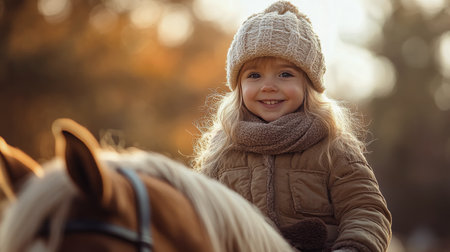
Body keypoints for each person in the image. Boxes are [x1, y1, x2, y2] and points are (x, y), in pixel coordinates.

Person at [192, 1, 392, 251]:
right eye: (254, 75)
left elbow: (365, 209)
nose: (268, 86)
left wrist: (353, 247)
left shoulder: (332, 147)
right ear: (238, 87)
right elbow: (198, 215)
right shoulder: (222, 151)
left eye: (285, 74)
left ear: (308, 85)